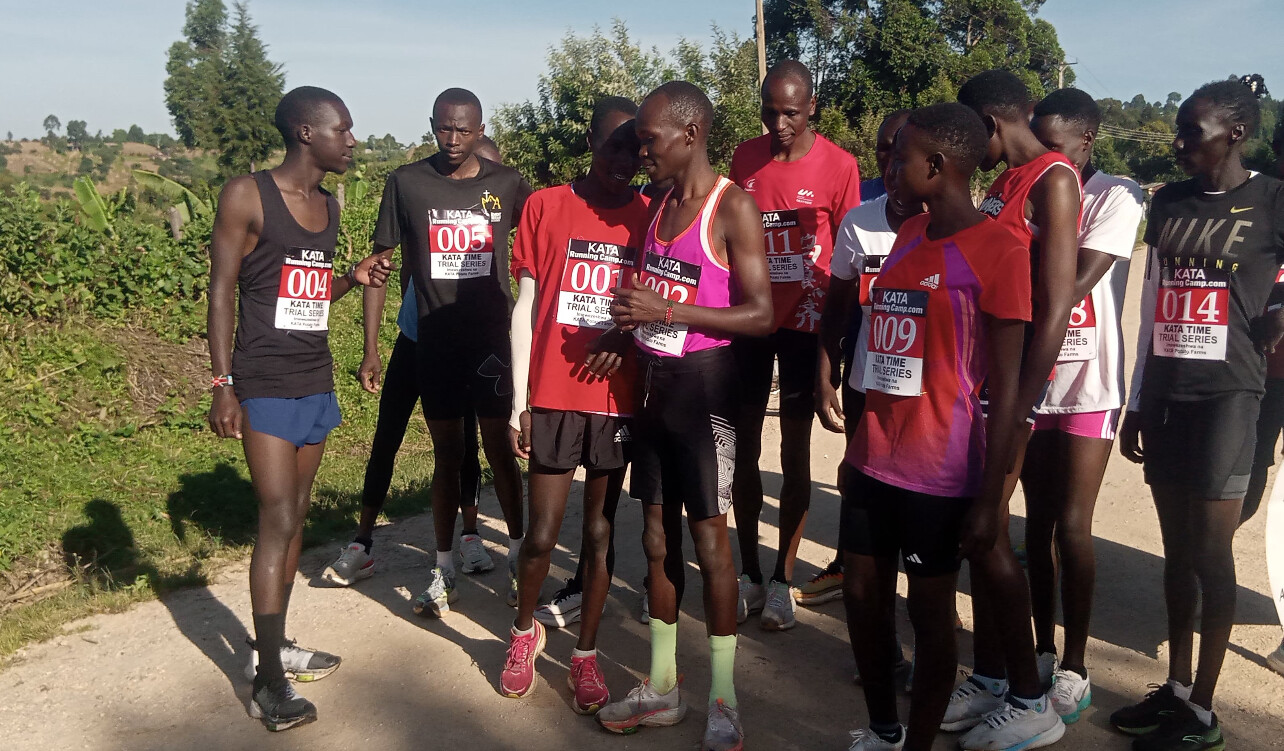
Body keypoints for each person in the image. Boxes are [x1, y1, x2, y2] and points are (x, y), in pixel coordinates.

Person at [841, 101, 1038, 751]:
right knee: (862, 599)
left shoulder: (1002, 250)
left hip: (940, 471)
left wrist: (990, 500)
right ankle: (883, 729)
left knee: (930, 620)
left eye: (899, 158)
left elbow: (1007, 392)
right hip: (872, 459)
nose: (889, 169)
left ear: (936, 165)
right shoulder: (907, 235)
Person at [206, 86, 393, 730]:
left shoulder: (329, 206)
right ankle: (266, 683)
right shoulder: (246, 195)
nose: (353, 140)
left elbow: (303, 294)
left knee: (297, 518)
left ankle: (275, 645)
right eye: (344, 129)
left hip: (315, 377)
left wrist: (351, 279)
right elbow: (222, 289)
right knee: (278, 517)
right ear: (307, 133)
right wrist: (223, 382)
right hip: (262, 380)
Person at [595, 81, 773, 751]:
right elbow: (651, 296)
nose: (642, 151)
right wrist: (626, 325)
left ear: (690, 135)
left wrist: (666, 311)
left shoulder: (733, 207)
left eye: (650, 139)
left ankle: (724, 698)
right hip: (653, 386)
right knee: (656, 539)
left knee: (709, 542)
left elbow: (761, 313)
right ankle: (664, 686)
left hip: (705, 390)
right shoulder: (659, 204)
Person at [1114, 77, 1284, 751]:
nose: (1179, 142)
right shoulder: (1170, 202)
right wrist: (1137, 400)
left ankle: (1205, 712)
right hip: (1167, 393)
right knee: (1177, 553)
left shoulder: (1272, 199)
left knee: (1211, 553)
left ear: (1235, 134)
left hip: (1229, 397)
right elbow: (1155, 297)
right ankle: (1178, 688)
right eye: (1180, 129)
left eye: (1193, 131)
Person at [498, 96, 650, 715]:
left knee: (599, 535)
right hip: (553, 395)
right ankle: (523, 633)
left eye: (636, 148)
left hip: (616, 400)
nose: (626, 159)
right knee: (540, 536)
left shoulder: (652, 216)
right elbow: (525, 307)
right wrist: (520, 402)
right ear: (589, 142)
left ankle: (585, 654)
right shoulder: (545, 205)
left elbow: (657, 310)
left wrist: (626, 340)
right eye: (614, 145)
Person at [948, 69, 1081, 750]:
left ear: (989, 124)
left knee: (991, 530)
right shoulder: (1005, 181)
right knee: (982, 531)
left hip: (1013, 389)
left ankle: (1032, 700)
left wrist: (1020, 404)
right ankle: (993, 675)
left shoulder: (1054, 179)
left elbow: (1054, 304)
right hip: (983, 381)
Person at [371, 88, 531, 617]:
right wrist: (373, 343)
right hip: (435, 343)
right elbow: (379, 263)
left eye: (464, 129)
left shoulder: (506, 184)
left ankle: (518, 557)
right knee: (447, 456)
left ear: (481, 129)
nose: (453, 138)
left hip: (491, 343)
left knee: (500, 451)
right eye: (444, 128)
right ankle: (443, 570)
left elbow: (541, 244)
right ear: (432, 125)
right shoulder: (406, 182)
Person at [320, 140, 506, 587]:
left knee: (464, 446)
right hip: (415, 339)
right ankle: (362, 542)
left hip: (467, 346)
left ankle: (469, 535)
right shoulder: (424, 198)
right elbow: (380, 267)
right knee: (387, 436)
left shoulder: (493, 216)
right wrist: (371, 348)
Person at [1023, 88, 1145, 723]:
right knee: (1034, 526)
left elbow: (1067, 285)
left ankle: (1075, 665)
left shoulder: (1116, 196)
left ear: (1086, 140)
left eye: (1054, 146)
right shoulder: (1029, 191)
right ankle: (1041, 649)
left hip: (1087, 387)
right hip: (1032, 383)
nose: (1044, 158)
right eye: (1036, 145)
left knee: (1072, 525)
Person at [727, 59, 862, 631]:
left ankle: (783, 578)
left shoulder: (840, 165)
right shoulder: (744, 159)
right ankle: (749, 574)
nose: (778, 124)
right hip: (752, 321)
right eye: (769, 112)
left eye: (790, 113)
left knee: (795, 449)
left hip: (808, 327)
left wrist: (837, 347)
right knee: (742, 446)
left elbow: (851, 259)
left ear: (811, 108)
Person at [810, 108, 914, 610]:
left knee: (916, 498)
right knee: (862, 486)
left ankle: (927, 599)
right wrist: (825, 375)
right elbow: (837, 308)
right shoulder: (860, 223)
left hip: (926, 396)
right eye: (883, 153)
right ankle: (856, 578)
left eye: (903, 154)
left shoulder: (953, 227)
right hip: (866, 384)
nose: (891, 166)